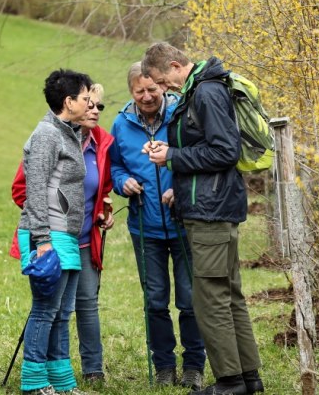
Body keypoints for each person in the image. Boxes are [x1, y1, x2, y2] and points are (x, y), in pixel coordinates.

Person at [141, 42, 264, 395]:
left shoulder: (206, 93)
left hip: (211, 210)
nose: (164, 91)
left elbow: (225, 150)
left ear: (177, 66)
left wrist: (173, 156)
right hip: (215, 206)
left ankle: (230, 382)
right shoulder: (204, 89)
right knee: (229, 294)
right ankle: (249, 377)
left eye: (163, 82)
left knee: (209, 298)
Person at [108, 62, 206, 390]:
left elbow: (197, 155)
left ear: (162, 86)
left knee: (190, 298)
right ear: (131, 92)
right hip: (144, 226)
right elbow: (116, 167)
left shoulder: (181, 114)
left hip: (183, 222)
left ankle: (194, 364)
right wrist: (124, 183)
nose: (148, 96)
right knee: (155, 299)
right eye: (140, 91)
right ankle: (163, 365)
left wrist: (178, 186)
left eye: (153, 89)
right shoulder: (120, 124)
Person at [11, 83, 115, 384]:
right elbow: (35, 190)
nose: (92, 106)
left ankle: (62, 381)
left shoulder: (67, 133)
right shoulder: (46, 134)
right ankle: (34, 381)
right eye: (86, 100)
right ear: (69, 102)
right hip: (50, 236)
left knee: (62, 313)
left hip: (69, 237)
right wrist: (42, 240)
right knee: (45, 311)